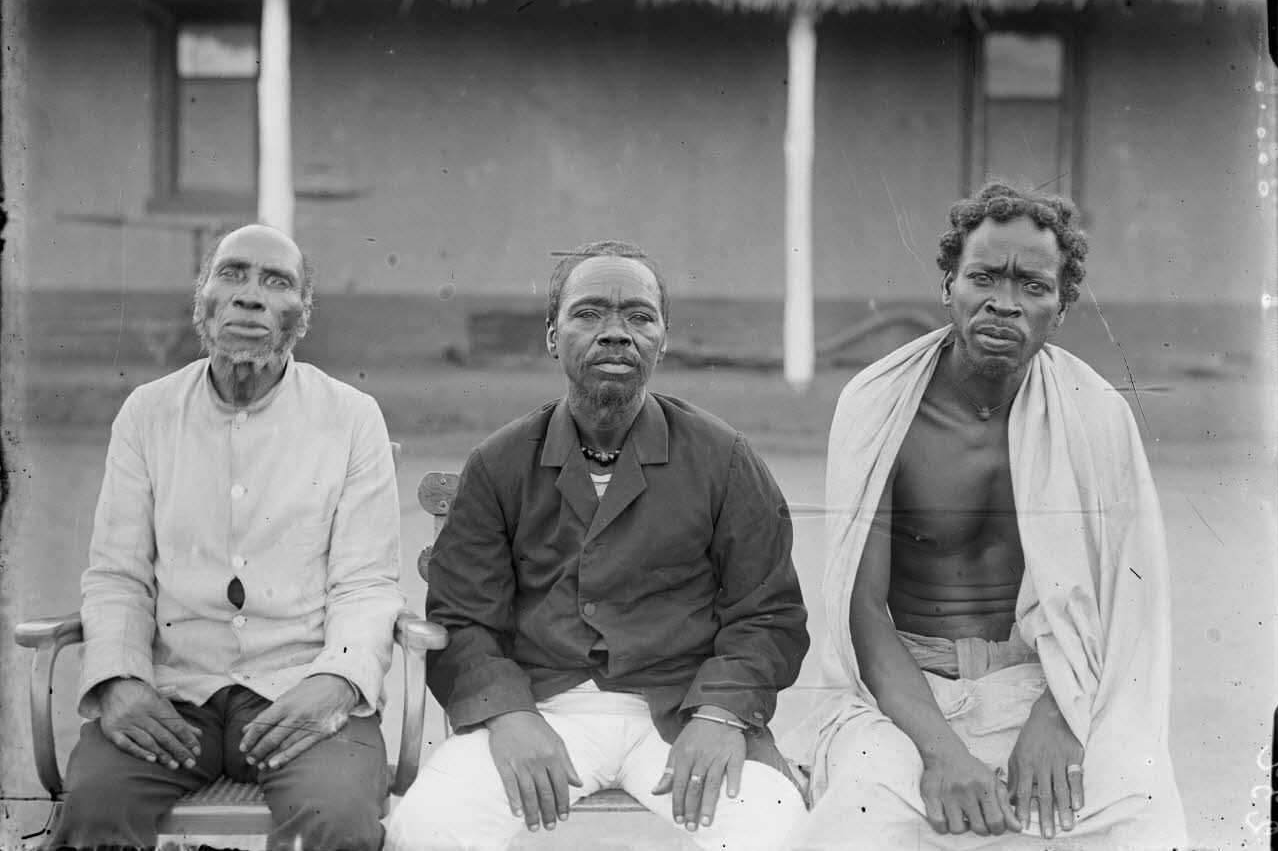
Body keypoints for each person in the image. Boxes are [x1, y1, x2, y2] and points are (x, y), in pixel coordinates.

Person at [795, 182, 1185, 849]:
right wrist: (943, 753)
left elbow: (1127, 607)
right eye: (983, 277)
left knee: (1138, 804)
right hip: (907, 698)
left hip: (1047, 682)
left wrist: (1060, 714)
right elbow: (863, 611)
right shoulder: (879, 404)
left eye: (1033, 286)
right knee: (865, 807)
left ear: (1062, 307)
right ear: (948, 284)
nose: (1004, 302)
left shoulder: (1095, 413)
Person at [386, 240, 810, 851]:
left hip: (683, 710)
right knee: (427, 827)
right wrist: (508, 714)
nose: (615, 332)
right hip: (540, 708)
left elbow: (767, 614)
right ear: (552, 336)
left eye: (639, 316)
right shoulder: (501, 462)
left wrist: (720, 714)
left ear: (663, 339)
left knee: (776, 829)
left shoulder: (723, 458)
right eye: (588, 314)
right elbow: (462, 619)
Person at [47, 224, 404, 851]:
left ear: (301, 313)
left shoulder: (351, 417)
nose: (250, 295)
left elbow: (367, 583)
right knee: (95, 811)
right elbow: (117, 576)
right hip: (172, 693)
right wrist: (118, 680)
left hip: (301, 688)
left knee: (337, 821)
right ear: (204, 297)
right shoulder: (148, 413)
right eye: (232, 274)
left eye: (276, 282)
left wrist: (338, 682)